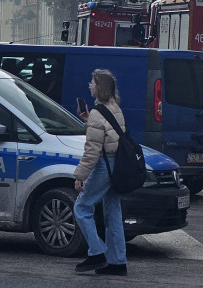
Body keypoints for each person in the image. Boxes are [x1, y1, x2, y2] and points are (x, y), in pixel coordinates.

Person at [73, 69, 127, 276]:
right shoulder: (114, 108)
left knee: (82, 207)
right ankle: (117, 262)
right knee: (113, 213)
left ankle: (97, 252)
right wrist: (88, 120)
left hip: (104, 165)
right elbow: (108, 135)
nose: (90, 85)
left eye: (93, 82)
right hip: (118, 165)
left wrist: (80, 176)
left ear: (100, 88)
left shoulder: (98, 112)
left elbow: (92, 150)